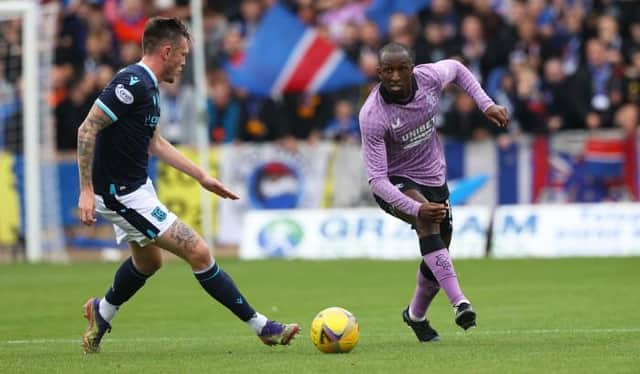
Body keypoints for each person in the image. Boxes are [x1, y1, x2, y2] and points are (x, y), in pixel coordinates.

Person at [76, 17, 300, 354]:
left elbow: (156, 142)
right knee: (199, 251)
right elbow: (87, 129)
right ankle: (262, 326)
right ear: (166, 51)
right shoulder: (131, 82)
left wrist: (202, 177)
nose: (183, 63)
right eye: (182, 55)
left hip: (137, 188)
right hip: (121, 195)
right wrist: (86, 189)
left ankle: (102, 312)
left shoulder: (149, 88)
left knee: (149, 263)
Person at [359, 43, 508, 342]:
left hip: (433, 176)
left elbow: (456, 67)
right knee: (428, 221)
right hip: (395, 182)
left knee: (438, 251)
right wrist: (415, 210)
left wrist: (485, 103)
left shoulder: (428, 78)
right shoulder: (373, 115)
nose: (396, 76)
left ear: (412, 68)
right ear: (379, 73)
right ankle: (460, 303)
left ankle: (415, 315)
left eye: (402, 68)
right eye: (388, 70)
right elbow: (376, 179)